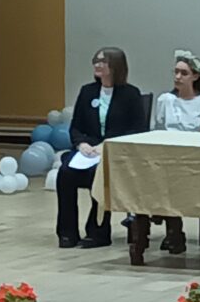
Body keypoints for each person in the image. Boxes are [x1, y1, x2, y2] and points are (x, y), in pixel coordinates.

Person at [56, 47, 147, 248]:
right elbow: (76, 126)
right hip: (87, 150)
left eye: (103, 62)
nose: (97, 65)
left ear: (116, 66)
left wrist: (106, 145)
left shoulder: (130, 94)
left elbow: (138, 130)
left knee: (97, 174)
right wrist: (81, 143)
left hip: (115, 152)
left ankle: (98, 232)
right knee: (65, 173)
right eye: (95, 61)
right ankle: (67, 232)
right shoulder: (87, 91)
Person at [146, 50, 200, 255]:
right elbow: (159, 130)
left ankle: (167, 223)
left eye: (184, 73)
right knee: (155, 173)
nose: (178, 77)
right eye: (176, 72)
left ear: (196, 76)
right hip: (167, 156)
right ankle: (170, 228)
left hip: (196, 159)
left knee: (171, 178)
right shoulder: (165, 100)